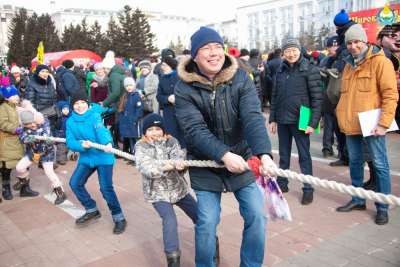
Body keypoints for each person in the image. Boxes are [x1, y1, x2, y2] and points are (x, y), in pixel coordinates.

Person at [175, 26, 276, 267]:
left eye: (218, 47)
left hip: (241, 157)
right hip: (206, 163)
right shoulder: (183, 87)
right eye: (206, 48)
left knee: (257, 215)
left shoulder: (240, 77)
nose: (213, 53)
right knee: (207, 222)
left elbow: (252, 116)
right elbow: (194, 130)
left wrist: (264, 154)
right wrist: (223, 154)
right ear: (195, 56)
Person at [335, 24, 399, 225]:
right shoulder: (347, 65)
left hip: (372, 125)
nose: (353, 46)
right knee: (354, 163)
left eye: (357, 42)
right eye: (350, 43)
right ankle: (358, 199)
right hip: (351, 123)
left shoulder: (381, 62)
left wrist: (383, 124)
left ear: (365, 41)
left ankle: (382, 206)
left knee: (380, 165)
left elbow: (390, 95)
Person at [135, 113, 197, 267]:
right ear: (145, 132)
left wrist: (181, 165)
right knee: (170, 220)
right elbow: (147, 168)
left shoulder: (172, 141)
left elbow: (178, 157)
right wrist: (168, 166)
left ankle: (212, 244)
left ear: (163, 130)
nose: (154, 132)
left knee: (201, 216)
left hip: (178, 189)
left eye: (157, 129)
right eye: (150, 129)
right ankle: (173, 260)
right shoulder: (140, 146)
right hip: (157, 193)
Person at [269, 38, 323, 205]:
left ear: (299, 50)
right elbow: (275, 96)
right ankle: (282, 183)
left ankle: (308, 189)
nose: (291, 53)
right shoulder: (280, 70)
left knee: (304, 155)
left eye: (294, 50)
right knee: (283, 155)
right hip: (283, 118)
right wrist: (273, 118)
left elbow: (317, 99)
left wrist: (313, 123)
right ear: (283, 53)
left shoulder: (310, 69)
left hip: (303, 117)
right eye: (287, 51)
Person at [66, 92, 127, 234]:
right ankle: (91, 209)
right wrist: (82, 146)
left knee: (106, 188)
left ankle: (119, 218)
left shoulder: (94, 116)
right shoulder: (70, 121)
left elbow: (102, 131)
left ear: (87, 104)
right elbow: (70, 141)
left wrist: (107, 143)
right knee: (75, 183)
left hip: (103, 156)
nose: (80, 106)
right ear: (72, 106)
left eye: (82, 102)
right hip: (87, 157)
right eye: (76, 103)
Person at [16, 108, 67, 205]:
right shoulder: (23, 128)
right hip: (32, 153)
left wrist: (49, 141)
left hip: (47, 153)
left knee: (49, 172)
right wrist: (27, 139)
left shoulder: (44, 123)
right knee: (19, 167)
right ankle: (24, 182)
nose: (32, 125)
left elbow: (47, 135)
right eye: (28, 124)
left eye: (33, 122)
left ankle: (60, 193)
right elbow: (22, 138)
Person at [0, 84, 25, 201]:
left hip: (17, 140)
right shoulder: (3, 107)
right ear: (6, 97)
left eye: (17, 94)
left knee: (22, 165)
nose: (16, 97)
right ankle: (6, 188)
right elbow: (2, 123)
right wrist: (14, 129)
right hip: (7, 141)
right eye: (13, 95)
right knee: (7, 166)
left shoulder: (15, 106)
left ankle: (25, 187)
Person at [156, 57, 185, 147]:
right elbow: (159, 96)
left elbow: (187, 93)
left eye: (164, 65)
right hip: (168, 112)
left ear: (170, 66)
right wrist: (168, 98)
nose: (162, 67)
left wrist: (177, 98)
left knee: (183, 136)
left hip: (181, 111)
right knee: (171, 136)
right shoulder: (162, 79)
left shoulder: (180, 77)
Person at [117, 77, 143, 162]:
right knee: (130, 139)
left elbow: (139, 109)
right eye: (127, 85)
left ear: (134, 85)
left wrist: (135, 119)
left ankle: (138, 158)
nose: (129, 87)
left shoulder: (136, 96)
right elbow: (121, 109)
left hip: (134, 122)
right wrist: (122, 119)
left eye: (130, 85)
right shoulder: (125, 96)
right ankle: (133, 157)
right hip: (127, 122)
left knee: (136, 140)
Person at [25, 64, 58, 130]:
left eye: (46, 71)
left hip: (52, 114)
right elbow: (30, 102)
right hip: (41, 115)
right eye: (42, 71)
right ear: (37, 73)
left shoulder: (49, 82)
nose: (45, 74)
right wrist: (36, 115)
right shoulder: (32, 84)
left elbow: (54, 97)